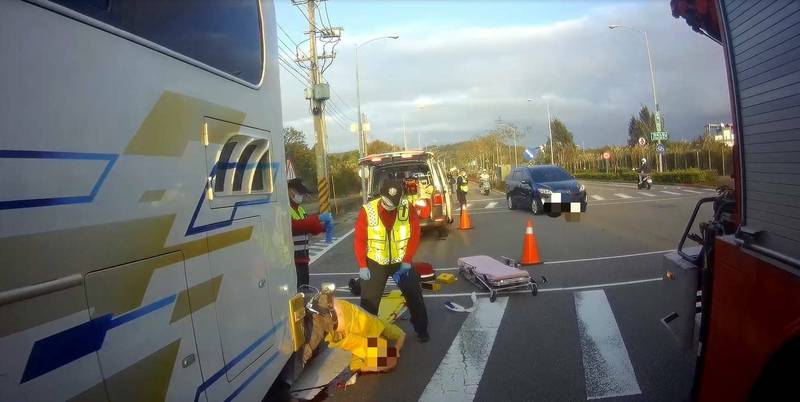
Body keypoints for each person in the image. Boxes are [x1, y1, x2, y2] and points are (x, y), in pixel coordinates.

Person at [353, 179, 430, 342]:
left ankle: (421, 329)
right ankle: (369, 338)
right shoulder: (368, 210)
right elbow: (360, 239)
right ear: (381, 196)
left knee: (414, 295)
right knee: (369, 303)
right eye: (387, 202)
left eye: (394, 203)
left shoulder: (406, 207)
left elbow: (415, 234)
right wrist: (362, 265)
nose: (391, 207)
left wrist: (407, 260)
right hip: (376, 262)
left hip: (400, 262)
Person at [323, 298, 406, 373]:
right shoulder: (380, 327)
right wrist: (396, 349)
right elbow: (402, 334)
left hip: (347, 322)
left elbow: (356, 365)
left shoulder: (368, 347)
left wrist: (395, 350)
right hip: (351, 319)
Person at [288, 178, 329, 289]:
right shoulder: (285, 209)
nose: (301, 196)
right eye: (299, 193)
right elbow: (295, 226)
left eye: (302, 193)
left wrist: (324, 227)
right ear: (290, 191)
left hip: (303, 258)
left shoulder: (301, 210)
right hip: (291, 260)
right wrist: (317, 218)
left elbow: (310, 227)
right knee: (297, 290)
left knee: (304, 288)